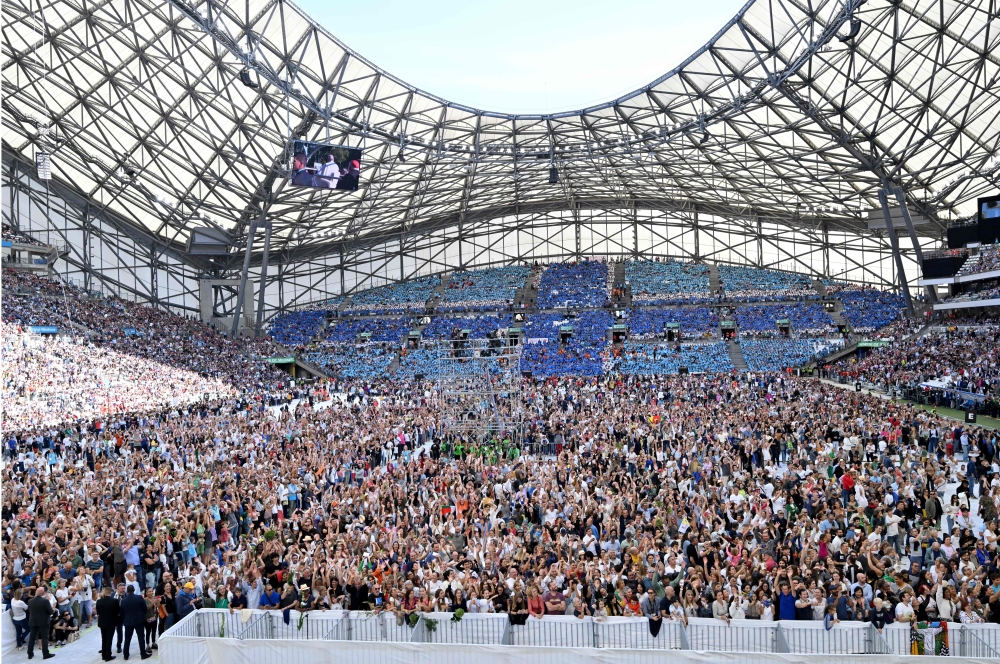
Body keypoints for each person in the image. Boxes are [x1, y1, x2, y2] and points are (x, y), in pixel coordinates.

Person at [120, 585, 150, 660]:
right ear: (134, 590)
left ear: (127, 591)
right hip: (139, 621)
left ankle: (125, 655)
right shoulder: (139, 598)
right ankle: (143, 654)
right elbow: (145, 609)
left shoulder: (123, 601)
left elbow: (122, 613)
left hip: (128, 622)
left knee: (127, 639)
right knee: (141, 638)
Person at [26, 586, 55, 659]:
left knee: (32, 638)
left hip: (33, 621)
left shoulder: (30, 601)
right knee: (44, 637)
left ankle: (30, 653)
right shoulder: (45, 601)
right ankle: (45, 654)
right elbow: (50, 611)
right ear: (43, 593)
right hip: (44, 622)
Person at [96, 586, 121, 661]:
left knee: (104, 638)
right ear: (110, 592)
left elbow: (98, 612)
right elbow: (117, 612)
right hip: (111, 622)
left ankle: (103, 654)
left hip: (102, 622)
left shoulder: (99, 601)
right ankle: (108, 655)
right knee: (109, 639)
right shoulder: (114, 601)